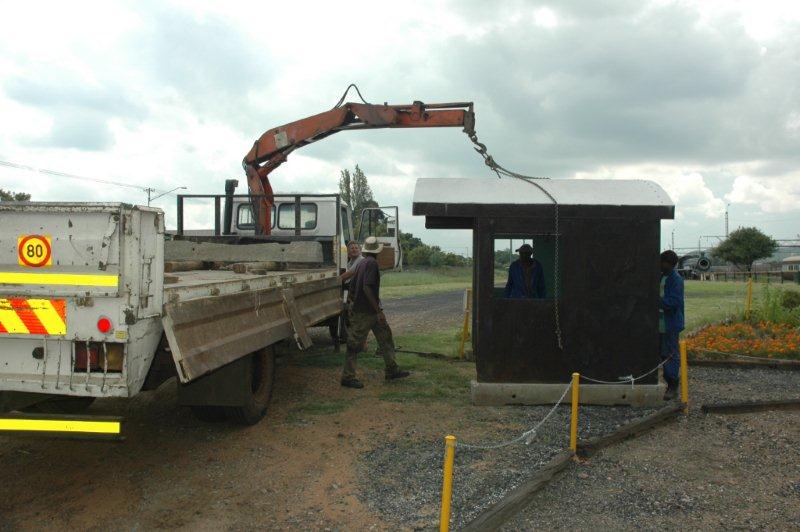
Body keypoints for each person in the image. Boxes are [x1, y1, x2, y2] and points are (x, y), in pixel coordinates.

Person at [341, 236, 409, 388]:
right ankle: (347, 377)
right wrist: (378, 311)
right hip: (366, 312)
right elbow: (366, 287)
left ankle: (392, 369)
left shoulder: (362, 263)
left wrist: (352, 303)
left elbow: (353, 287)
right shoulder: (372, 263)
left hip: (363, 310)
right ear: (377, 251)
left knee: (385, 337)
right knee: (355, 345)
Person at [660, 249, 685, 400]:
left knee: (671, 354)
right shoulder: (662, 276)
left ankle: (673, 385)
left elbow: (674, 302)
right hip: (660, 323)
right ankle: (668, 381)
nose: (661, 266)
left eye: (663, 264)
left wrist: (657, 301)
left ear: (670, 264)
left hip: (670, 323)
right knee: (663, 353)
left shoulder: (676, 279)